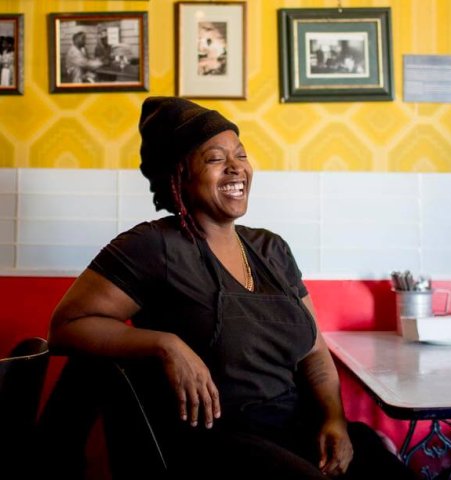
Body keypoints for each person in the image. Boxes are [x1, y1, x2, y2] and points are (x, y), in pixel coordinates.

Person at [43, 96, 418, 479]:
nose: (236, 168)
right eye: (215, 159)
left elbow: (314, 351)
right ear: (179, 175)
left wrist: (334, 420)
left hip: (295, 428)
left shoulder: (271, 249)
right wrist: (165, 344)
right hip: (217, 443)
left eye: (240, 154)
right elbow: (66, 327)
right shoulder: (153, 246)